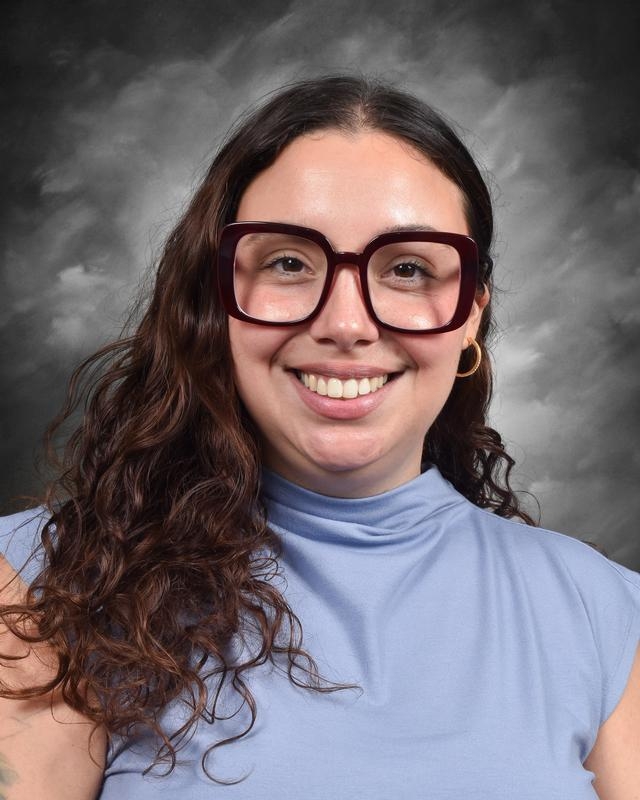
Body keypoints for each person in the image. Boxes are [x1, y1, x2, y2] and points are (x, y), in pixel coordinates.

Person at [1, 76, 639, 800]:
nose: (345, 322)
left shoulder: (610, 617)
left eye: (406, 268)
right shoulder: (37, 589)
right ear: (217, 299)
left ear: (469, 316)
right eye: (289, 263)